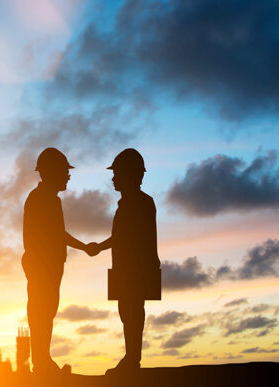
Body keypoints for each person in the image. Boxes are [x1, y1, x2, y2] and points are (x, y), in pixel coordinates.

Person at [22, 147, 98, 374]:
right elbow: (56, 235)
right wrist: (84, 247)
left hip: (50, 265)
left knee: (46, 312)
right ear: (50, 172)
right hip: (41, 266)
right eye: (64, 171)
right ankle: (41, 364)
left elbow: (58, 234)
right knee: (41, 312)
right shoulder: (40, 199)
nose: (68, 176)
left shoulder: (50, 200)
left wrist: (83, 247)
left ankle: (43, 360)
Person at [89, 148, 161, 374]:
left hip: (135, 269)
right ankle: (131, 359)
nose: (113, 178)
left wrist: (146, 267)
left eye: (117, 173)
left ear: (131, 175)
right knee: (127, 313)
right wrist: (100, 247)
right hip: (125, 268)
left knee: (132, 313)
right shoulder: (128, 204)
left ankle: (132, 362)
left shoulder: (141, 203)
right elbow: (121, 237)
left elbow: (137, 238)